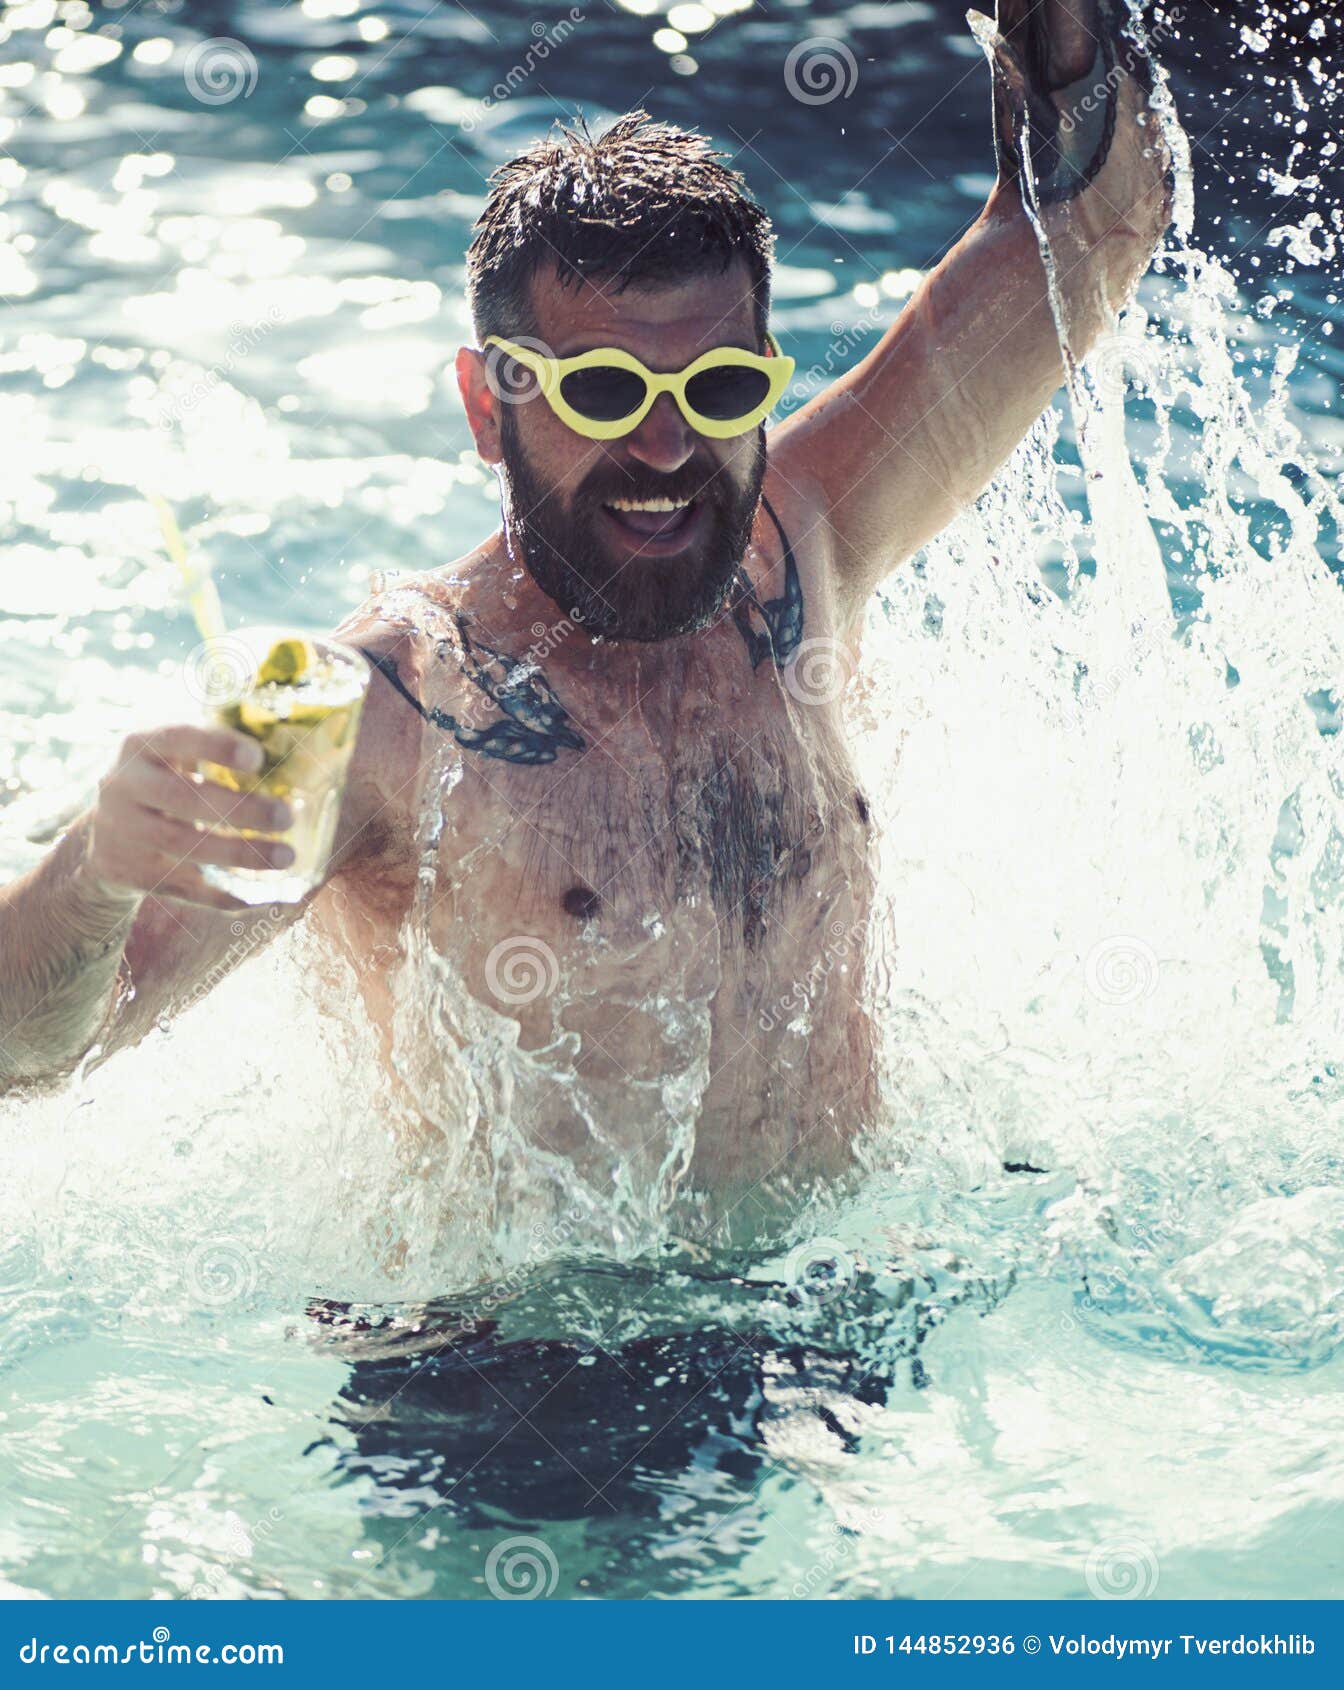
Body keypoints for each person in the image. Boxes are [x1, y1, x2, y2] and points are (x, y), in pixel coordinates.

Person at [0, 2, 1171, 1223]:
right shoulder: (375, 714)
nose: (665, 445)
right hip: (500, 1370)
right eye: (605, 389)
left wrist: (1066, 40)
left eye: (716, 387)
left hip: (826, 1340)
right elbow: (28, 1056)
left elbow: (1084, 242)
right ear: (484, 402)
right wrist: (94, 870)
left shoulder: (806, 545)